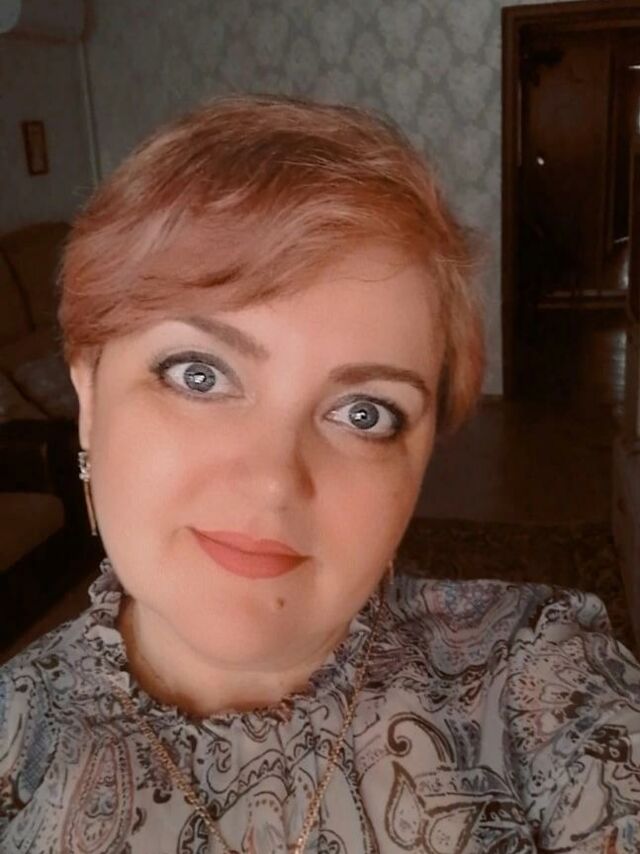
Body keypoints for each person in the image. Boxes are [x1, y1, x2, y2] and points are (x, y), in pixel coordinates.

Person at [1, 94, 639, 854]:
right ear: (90, 397)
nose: (273, 480)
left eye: (364, 413)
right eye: (199, 374)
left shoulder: (541, 676)